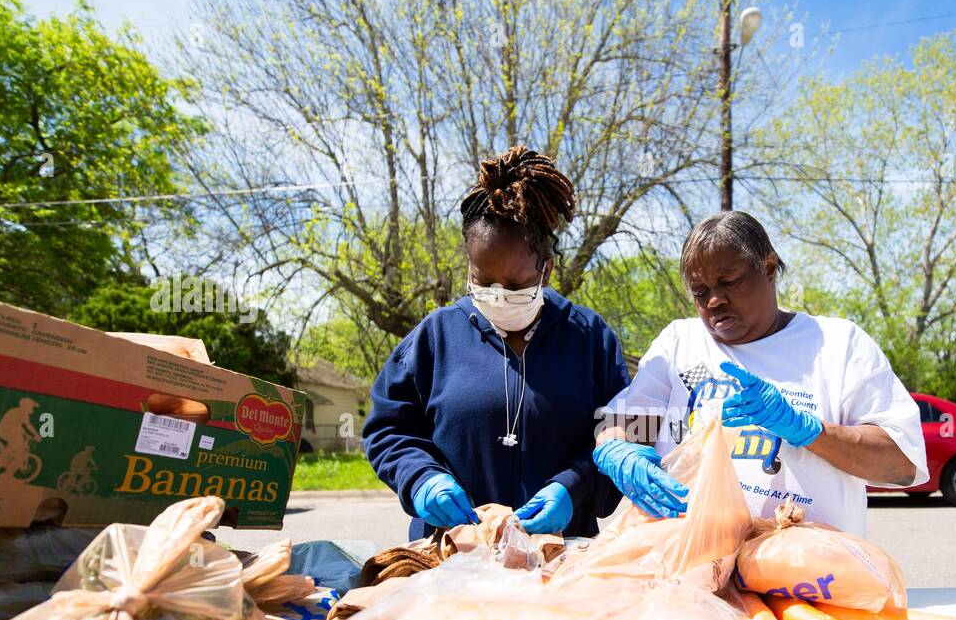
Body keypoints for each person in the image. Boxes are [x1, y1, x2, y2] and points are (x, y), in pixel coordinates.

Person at [594, 211, 926, 538]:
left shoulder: (837, 345)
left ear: (768, 268)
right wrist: (617, 452)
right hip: (692, 567)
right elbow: (627, 424)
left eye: (729, 282)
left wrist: (807, 430)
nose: (714, 300)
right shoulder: (680, 344)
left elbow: (901, 464)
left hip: (806, 575)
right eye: (699, 290)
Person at [364, 146, 630, 541]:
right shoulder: (434, 338)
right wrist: (420, 478)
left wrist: (574, 488)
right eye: (483, 280)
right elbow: (389, 429)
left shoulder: (590, 339)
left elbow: (623, 431)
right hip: (452, 556)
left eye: (516, 284)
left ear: (546, 269)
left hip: (559, 558)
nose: (498, 295)